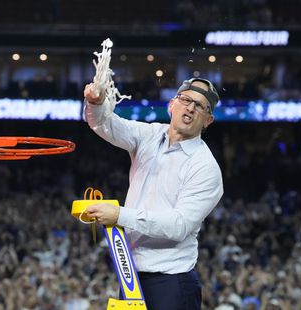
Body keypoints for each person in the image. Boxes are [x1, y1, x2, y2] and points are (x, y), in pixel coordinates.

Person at [83, 78, 224, 309]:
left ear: (208, 120)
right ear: (171, 105)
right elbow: (105, 125)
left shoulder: (205, 167)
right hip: (130, 275)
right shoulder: (149, 135)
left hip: (171, 282)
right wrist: (95, 103)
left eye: (199, 106)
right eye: (186, 100)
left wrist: (120, 215)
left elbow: (178, 226)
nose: (190, 107)